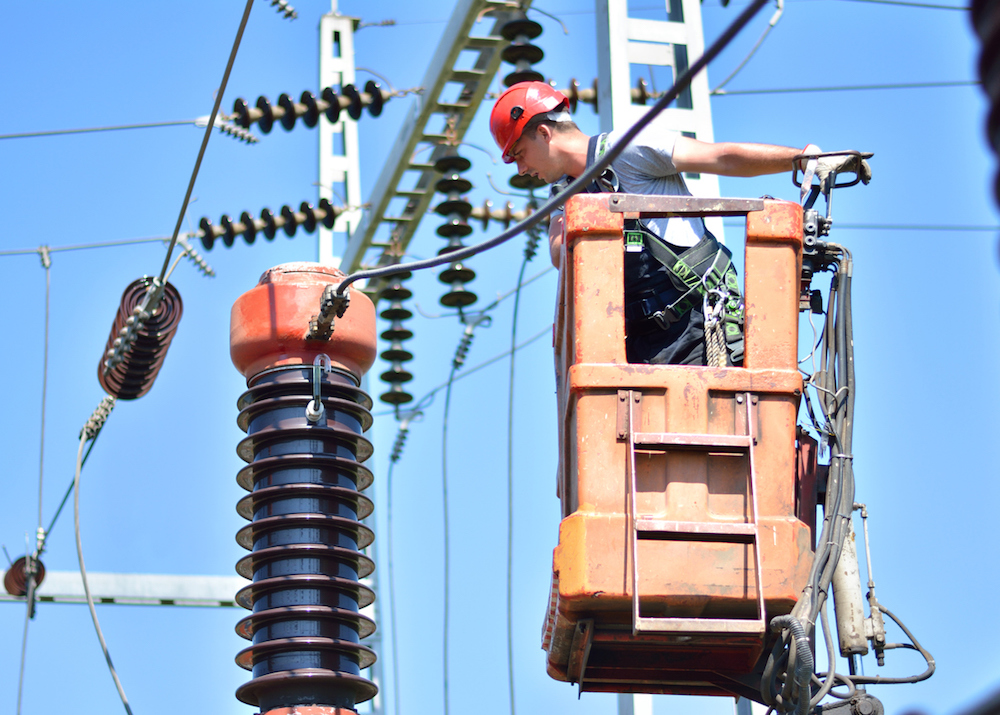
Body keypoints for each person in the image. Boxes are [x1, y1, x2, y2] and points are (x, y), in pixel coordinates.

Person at [488, 81, 862, 366]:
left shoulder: (628, 150)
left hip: (698, 328)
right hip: (642, 345)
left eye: (519, 154)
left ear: (543, 132)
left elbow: (721, 157)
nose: (522, 170)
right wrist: (573, 202)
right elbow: (559, 254)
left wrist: (802, 161)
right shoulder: (565, 198)